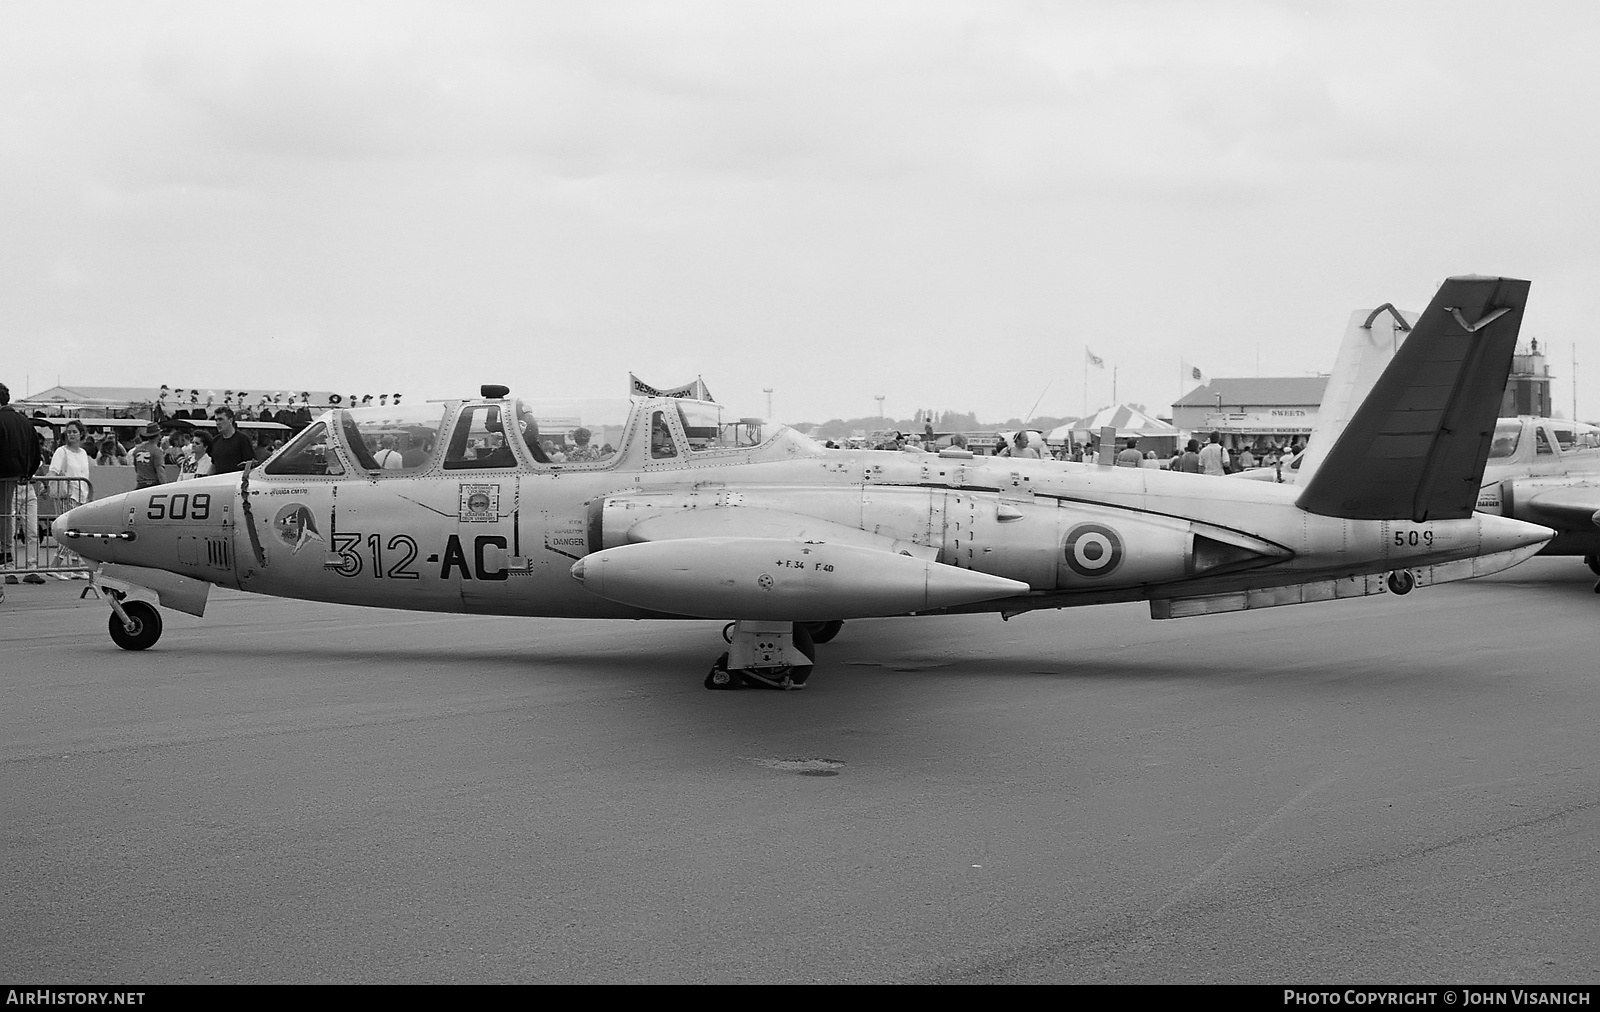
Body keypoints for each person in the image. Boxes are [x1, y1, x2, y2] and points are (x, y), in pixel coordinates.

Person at [1, 382, 44, 572]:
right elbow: (36, 451)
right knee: (13, 521)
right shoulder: (25, 422)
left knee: (5, 518)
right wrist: (28, 472)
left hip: (3, 478)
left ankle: (6, 557)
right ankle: (13, 560)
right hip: (22, 479)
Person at [208, 407, 255, 474]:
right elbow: (214, 464)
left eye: (220, 419)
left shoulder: (242, 439)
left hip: (235, 481)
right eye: (216, 420)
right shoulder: (215, 440)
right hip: (218, 481)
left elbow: (250, 464)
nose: (218, 423)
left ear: (230, 420)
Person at [130, 423, 169, 488]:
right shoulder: (157, 451)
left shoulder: (137, 449)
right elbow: (160, 470)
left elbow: (136, 467)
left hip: (140, 483)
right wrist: (164, 486)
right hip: (153, 484)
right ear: (158, 435)